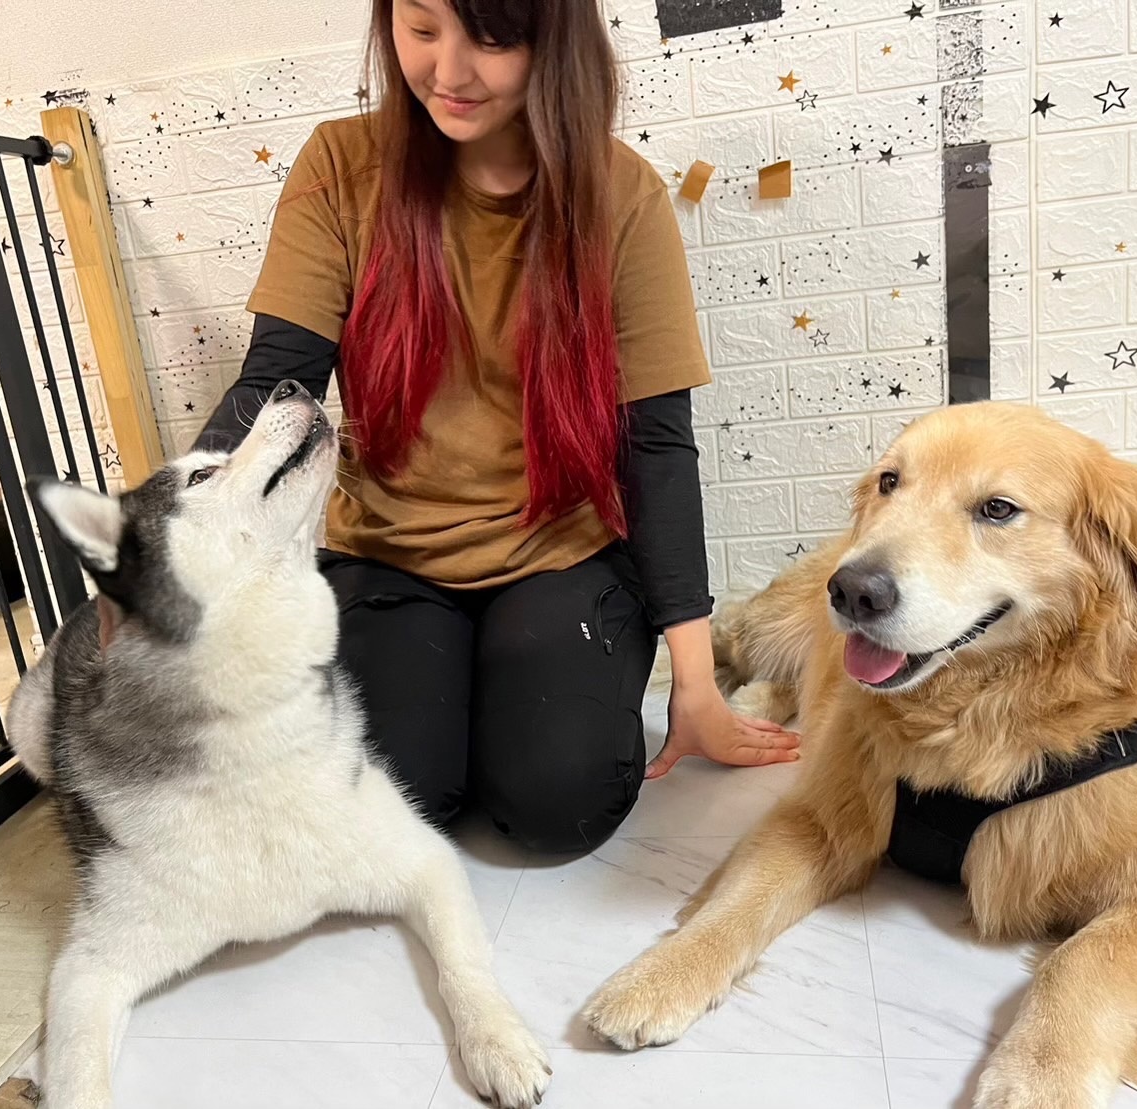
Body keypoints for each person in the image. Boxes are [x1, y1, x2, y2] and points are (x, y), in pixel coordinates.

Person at [197, 0, 799, 853]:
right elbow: (273, 386)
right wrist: (162, 561)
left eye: (492, 36)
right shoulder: (340, 166)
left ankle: (510, 689)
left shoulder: (622, 197)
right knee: (392, 801)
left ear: (555, 39)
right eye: (419, 27)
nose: (447, 72)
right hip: (387, 557)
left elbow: (655, 446)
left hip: (558, 555)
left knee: (561, 806)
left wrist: (694, 687)